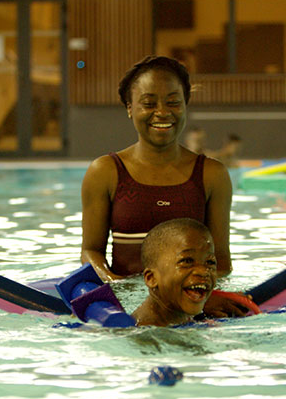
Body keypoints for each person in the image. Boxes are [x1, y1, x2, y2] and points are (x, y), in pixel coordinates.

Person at [80, 55, 232, 284]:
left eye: (173, 102)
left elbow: (221, 263)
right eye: (149, 103)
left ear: (185, 105)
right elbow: (90, 252)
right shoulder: (105, 172)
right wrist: (114, 284)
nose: (162, 112)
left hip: (190, 302)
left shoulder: (212, 174)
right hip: (128, 306)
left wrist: (191, 296)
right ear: (130, 108)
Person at [132, 218, 218, 326]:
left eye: (210, 262)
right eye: (187, 261)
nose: (203, 271)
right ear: (151, 278)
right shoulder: (147, 333)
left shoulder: (188, 318)